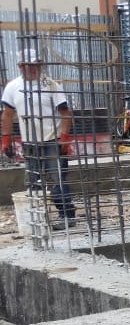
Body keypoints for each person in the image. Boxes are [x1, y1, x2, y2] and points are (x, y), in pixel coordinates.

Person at [1, 49, 77, 229]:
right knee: (33, 181)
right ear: (21, 66)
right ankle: (37, 218)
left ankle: (67, 216)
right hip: (30, 142)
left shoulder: (51, 85)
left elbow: (65, 113)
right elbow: (8, 114)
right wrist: (6, 139)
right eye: (30, 65)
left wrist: (65, 138)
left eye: (37, 64)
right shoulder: (13, 87)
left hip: (52, 140)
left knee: (58, 180)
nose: (35, 68)